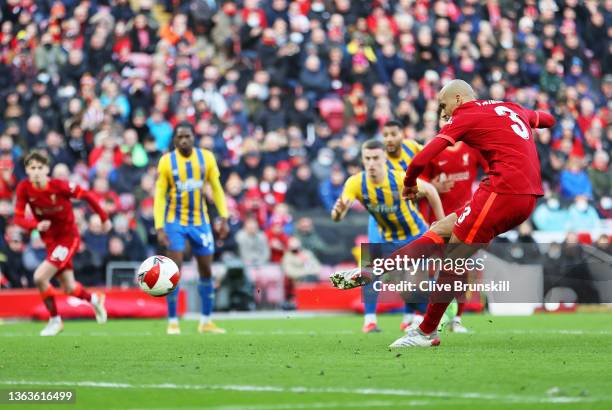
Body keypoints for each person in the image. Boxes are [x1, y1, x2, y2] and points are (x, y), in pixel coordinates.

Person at [330, 79, 555, 348]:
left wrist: (410, 183)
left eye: (443, 104)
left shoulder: (466, 114)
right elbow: (548, 119)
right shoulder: (509, 107)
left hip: (503, 191)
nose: (443, 111)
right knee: (441, 230)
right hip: (524, 195)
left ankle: (426, 332)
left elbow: (421, 159)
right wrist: (532, 122)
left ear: (459, 98)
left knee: (453, 258)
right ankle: (374, 270)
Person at [331, 139, 444, 333]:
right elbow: (337, 215)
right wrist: (338, 212)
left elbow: (431, 190)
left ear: (384, 158)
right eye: (367, 158)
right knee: (367, 271)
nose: (372, 162)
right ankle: (369, 321)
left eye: (376, 158)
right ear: (362, 160)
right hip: (385, 236)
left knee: (411, 289)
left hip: (415, 236)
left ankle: (421, 317)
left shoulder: (400, 178)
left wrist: (441, 223)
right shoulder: (355, 183)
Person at [13, 151, 110, 336]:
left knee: (40, 277)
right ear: (26, 170)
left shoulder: (60, 186)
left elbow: (87, 196)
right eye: (32, 168)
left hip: (68, 239)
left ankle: (55, 320)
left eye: (40, 168)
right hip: (50, 241)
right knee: (70, 288)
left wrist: (104, 219)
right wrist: (35, 224)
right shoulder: (24, 188)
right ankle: (94, 299)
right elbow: (18, 219)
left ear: (47, 169)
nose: (36, 172)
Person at [154, 122, 229, 335]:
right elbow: (159, 195)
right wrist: (159, 227)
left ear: (193, 137)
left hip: (200, 221)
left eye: (187, 136)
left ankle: (206, 321)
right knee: (173, 269)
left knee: (206, 269)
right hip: (174, 221)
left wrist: (224, 216)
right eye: (180, 137)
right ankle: (173, 321)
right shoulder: (167, 162)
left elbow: (216, 188)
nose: (184, 140)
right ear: (175, 140)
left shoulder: (206, 158)